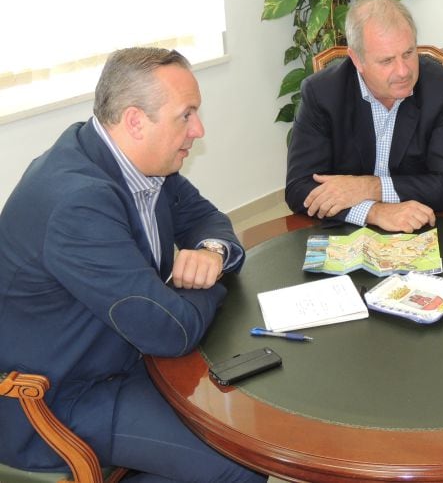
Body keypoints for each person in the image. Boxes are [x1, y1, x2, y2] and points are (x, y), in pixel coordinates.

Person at [0, 48, 266, 482]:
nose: (198, 130)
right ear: (135, 121)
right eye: (187, 115)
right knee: (239, 463)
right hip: (61, 396)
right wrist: (208, 283)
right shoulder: (77, 203)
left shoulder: (136, 161)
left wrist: (212, 253)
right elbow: (169, 329)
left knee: (244, 415)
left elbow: (206, 218)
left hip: (119, 353)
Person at [285, 0, 443, 233]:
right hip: (344, 227)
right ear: (357, 60)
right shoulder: (322, 94)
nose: (404, 71)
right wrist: (374, 212)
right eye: (386, 61)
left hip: (421, 225)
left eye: (408, 53)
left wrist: (370, 188)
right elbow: (300, 188)